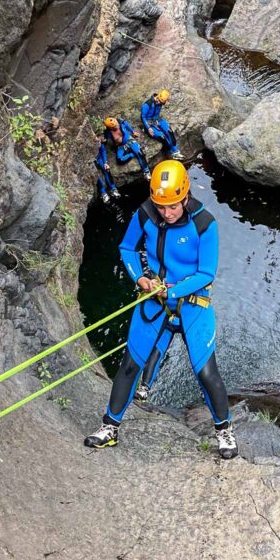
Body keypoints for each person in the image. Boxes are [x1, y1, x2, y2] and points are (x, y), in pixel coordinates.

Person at [84, 159, 237, 459]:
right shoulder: (145, 214)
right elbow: (128, 248)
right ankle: (110, 428)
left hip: (193, 304)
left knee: (206, 372)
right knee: (130, 364)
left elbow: (206, 273)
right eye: (161, 207)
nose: (166, 214)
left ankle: (225, 431)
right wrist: (140, 278)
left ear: (185, 197)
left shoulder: (205, 224)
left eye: (173, 207)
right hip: (154, 300)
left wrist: (173, 290)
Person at [94, 116, 151, 203]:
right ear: (111, 128)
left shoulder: (121, 122)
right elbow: (104, 141)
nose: (117, 126)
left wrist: (132, 131)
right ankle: (132, 154)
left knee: (139, 153)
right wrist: (103, 140)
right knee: (120, 159)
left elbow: (127, 125)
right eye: (114, 126)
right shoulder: (108, 132)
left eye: (117, 124)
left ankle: (146, 171)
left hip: (129, 141)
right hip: (120, 147)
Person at [141, 89, 183, 159]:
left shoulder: (161, 102)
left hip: (157, 119)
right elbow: (143, 117)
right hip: (148, 123)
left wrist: (159, 123)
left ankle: (176, 150)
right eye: (159, 101)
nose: (159, 103)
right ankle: (171, 152)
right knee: (162, 137)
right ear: (158, 97)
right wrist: (148, 128)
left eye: (162, 102)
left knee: (169, 131)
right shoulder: (147, 104)